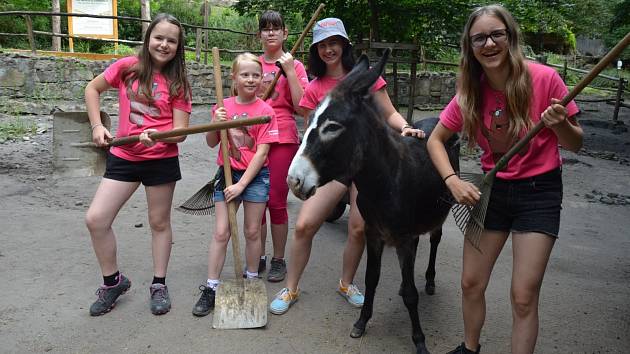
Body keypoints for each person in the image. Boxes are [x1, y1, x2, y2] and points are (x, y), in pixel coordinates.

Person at [426, 5, 583, 354]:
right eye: (479, 37)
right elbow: (435, 140)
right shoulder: (470, 91)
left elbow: (576, 143)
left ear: (510, 37)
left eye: (497, 34)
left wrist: (559, 124)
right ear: (470, 47)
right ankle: (470, 348)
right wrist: (451, 179)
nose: (489, 43)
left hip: (538, 192)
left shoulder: (544, 79)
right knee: (470, 282)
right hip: (492, 189)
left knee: (523, 296)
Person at [269, 17, 425, 315]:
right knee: (304, 225)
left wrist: (405, 128)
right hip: (335, 166)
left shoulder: (365, 78)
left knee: (357, 229)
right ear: (316, 50)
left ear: (344, 44)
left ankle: (346, 282)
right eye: (323, 45)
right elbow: (313, 129)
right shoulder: (315, 88)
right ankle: (291, 288)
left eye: (334, 43)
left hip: (369, 165)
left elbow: (389, 112)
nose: (329, 50)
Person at [84, 13, 192, 316]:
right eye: (159, 37)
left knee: (159, 223)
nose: (164, 44)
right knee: (96, 219)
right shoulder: (126, 67)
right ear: (148, 39)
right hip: (124, 156)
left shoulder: (179, 82)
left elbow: (181, 133)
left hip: (161, 161)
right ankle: (113, 282)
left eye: (172, 40)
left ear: (178, 46)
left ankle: (159, 283)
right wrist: (96, 126)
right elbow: (92, 90)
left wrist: (159, 136)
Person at [192, 53, 279, 317]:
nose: (251, 79)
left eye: (256, 75)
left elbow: (263, 153)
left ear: (262, 78)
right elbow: (211, 142)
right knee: (221, 232)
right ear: (234, 78)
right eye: (245, 74)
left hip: (255, 178)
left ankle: (252, 279)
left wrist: (242, 186)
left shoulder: (266, 111)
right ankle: (212, 286)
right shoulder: (222, 107)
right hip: (227, 174)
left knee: (253, 231)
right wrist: (215, 124)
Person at [256, 10, 309, 282]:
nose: (271, 33)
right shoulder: (251, 63)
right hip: (253, 138)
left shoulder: (296, 66)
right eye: (266, 28)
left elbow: (302, 108)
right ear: (259, 34)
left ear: (285, 33)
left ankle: (278, 259)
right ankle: (259, 256)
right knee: (256, 200)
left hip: (283, 138)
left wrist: (288, 71)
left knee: (276, 201)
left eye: (276, 28)